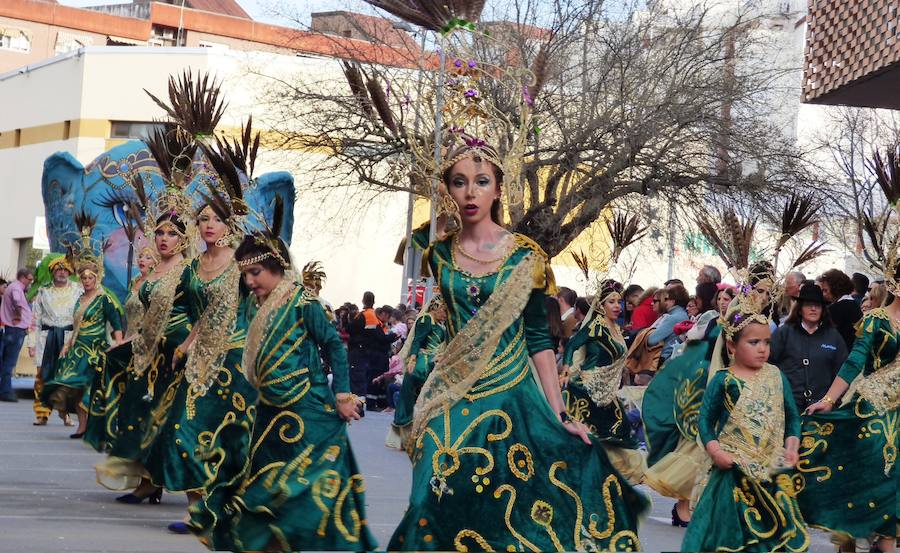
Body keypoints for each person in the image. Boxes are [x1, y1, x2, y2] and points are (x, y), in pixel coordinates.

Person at [388, 144, 647, 551]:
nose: (470, 193)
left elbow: (539, 341)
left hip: (512, 398)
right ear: (448, 190)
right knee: (432, 493)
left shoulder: (526, 257)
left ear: (497, 190)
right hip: (451, 395)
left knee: (510, 511)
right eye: (459, 183)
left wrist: (559, 412)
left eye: (481, 182)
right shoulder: (438, 254)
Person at [189, 220, 377, 552]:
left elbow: (334, 346)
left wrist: (343, 396)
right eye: (245, 275)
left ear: (277, 266)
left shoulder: (303, 303)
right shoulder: (253, 303)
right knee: (263, 494)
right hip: (269, 417)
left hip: (310, 415)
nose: (249, 281)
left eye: (256, 272)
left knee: (302, 495)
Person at [143, 185, 259, 534]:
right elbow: (196, 313)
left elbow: (266, 300)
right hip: (199, 361)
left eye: (217, 219)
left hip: (236, 361)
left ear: (229, 225)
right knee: (182, 429)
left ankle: (234, 507)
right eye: (204, 218)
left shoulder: (242, 264)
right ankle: (195, 510)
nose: (210, 224)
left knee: (233, 440)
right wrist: (182, 345)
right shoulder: (192, 267)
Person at [682, 308, 806, 552]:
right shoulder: (724, 380)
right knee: (731, 537)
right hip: (731, 471)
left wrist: (792, 447)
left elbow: (792, 417)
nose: (763, 349)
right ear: (731, 345)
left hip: (770, 470)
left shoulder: (776, 375)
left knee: (773, 535)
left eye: (767, 342)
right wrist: (716, 452)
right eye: (754, 342)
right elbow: (705, 422)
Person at [798, 268, 900, 553]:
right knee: (866, 480)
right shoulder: (876, 320)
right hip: (872, 412)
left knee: (893, 484)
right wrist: (829, 400)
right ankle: (851, 541)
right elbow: (855, 360)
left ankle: (886, 544)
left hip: (898, 414)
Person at [643, 282, 724, 527]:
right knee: (695, 447)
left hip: (728, 390)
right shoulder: (711, 320)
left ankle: (699, 507)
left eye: (729, 297)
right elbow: (692, 347)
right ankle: (684, 506)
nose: (724, 301)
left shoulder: (745, 325)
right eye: (721, 297)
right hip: (702, 388)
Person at [560, 279, 646, 484]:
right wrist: (565, 369)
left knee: (619, 431)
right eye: (611, 302)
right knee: (595, 434)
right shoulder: (595, 326)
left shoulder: (616, 328)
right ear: (601, 305)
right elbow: (572, 345)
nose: (617, 306)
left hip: (606, 392)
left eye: (619, 301)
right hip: (586, 390)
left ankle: (609, 474)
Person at [41, 238, 124, 441]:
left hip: (95, 350)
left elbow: (116, 323)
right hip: (78, 348)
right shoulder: (79, 299)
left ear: (97, 278)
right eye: (84, 277)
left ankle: (95, 428)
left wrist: (119, 344)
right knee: (73, 388)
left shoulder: (103, 298)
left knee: (91, 389)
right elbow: (76, 326)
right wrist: (67, 346)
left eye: (90, 277)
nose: (87, 280)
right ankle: (81, 426)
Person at [768, 283, 848, 411]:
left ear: (823, 309)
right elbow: (768, 364)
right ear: (799, 309)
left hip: (821, 409)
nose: (813, 308)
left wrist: (833, 402)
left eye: (817, 305)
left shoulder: (834, 337)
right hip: (787, 406)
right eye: (808, 304)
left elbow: (844, 371)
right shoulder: (784, 333)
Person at [387, 295, 448, 452]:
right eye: (443, 310)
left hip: (434, 361)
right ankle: (404, 438)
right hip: (423, 361)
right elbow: (417, 340)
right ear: (435, 308)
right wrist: (413, 359)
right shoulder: (426, 320)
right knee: (411, 396)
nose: (445, 314)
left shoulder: (441, 324)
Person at [27, 256, 82, 425]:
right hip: (46, 338)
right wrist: (32, 343)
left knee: (65, 378)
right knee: (42, 377)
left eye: (65, 270)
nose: (62, 272)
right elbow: (35, 319)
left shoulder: (78, 290)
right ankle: (42, 413)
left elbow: (82, 317)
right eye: (58, 270)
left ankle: (64, 413)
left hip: (68, 339)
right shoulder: (43, 292)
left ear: (69, 272)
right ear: (52, 272)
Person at [0, 268, 35, 402]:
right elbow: (17, 301)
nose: (30, 282)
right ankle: (5, 391)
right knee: (9, 362)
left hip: (13, 329)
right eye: (29, 279)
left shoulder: (14, 287)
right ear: (23, 277)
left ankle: (4, 389)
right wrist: (18, 314)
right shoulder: (16, 288)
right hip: (15, 329)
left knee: (7, 362)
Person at [818, 268, 863, 348]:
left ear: (835, 288)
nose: (823, 294)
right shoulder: (854, 305)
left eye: (825, 290)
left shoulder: (835, 309)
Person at [648, 284, 690, 362]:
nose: (664, 302)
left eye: (667, 299)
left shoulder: (672, 318)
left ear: (673, 301)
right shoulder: (683, 315)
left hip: (664, 358)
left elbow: (651, 340)